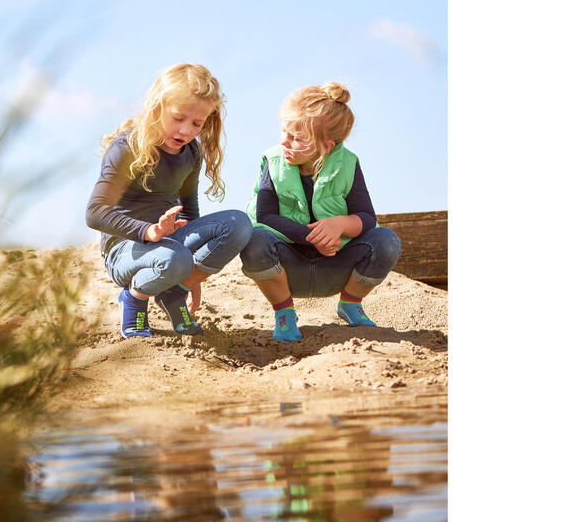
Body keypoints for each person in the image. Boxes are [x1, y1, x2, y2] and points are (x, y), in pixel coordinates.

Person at [86, 63, 253, 339]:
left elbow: (189, 211)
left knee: (239, 224)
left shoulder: (190, 152)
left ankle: (174, 294)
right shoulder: (126, 147)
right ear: (157, 107)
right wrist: (148, 231)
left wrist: (191, 280)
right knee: (175, 258)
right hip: (125, 249)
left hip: (170, 247)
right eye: (178, 118)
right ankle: (134, 298)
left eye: (197, 124)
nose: (187, 130)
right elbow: (94, 212)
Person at [241, 83, 401, 341]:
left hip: (336, 265)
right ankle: (284, 314)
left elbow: (367, 218)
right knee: (254, 241)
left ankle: (350, 304)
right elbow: (264, 216)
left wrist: (339, 225)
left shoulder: (348, 164)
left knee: (386, 240)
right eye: (284, 131)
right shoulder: (274, 162)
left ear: (326, 146)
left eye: (297, 138)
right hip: (288, 264)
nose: (285, 141)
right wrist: (312, 236)